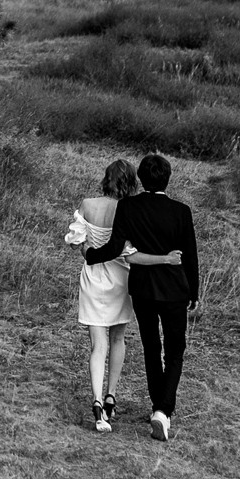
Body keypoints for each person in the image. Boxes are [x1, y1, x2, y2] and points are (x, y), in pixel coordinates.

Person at [83, 151, 198, 439]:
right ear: (168, 179)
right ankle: (163, 409)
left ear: (141, 179)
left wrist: (88, 254)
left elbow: (114, 247)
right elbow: (190, 256)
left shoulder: (129, 207)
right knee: (174, 350)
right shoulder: (181, 212)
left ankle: (157, 403)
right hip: (174, 290)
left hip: (143, 289)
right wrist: (194, 290)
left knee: (150, 347)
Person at [64, 158, 141, 431]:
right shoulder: (130, 209)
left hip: (94, 276)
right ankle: (111, 396)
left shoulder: (88, 204)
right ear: (131, 181)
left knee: (98, 345)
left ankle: (96, 401)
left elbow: (75, 239)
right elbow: (132, 248)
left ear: (106, 178)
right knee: (118, 338)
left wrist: (87, 250)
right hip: (121, 278)